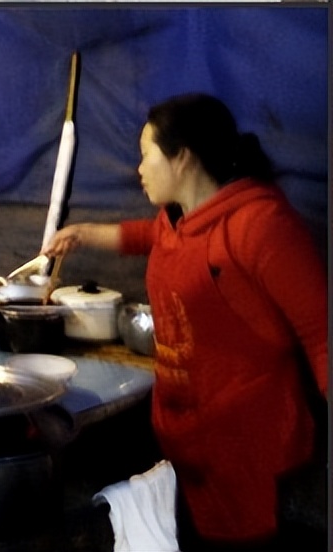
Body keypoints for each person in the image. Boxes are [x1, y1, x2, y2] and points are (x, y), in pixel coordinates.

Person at [42, 93, 328, 550]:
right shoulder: (178, 218)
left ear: (183, 159)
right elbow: (147, 236)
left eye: (145, 155)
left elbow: (321, 333)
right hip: (191, 449)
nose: (138, 169)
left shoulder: (259, 225)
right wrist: (83, 234)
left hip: (246, 449)